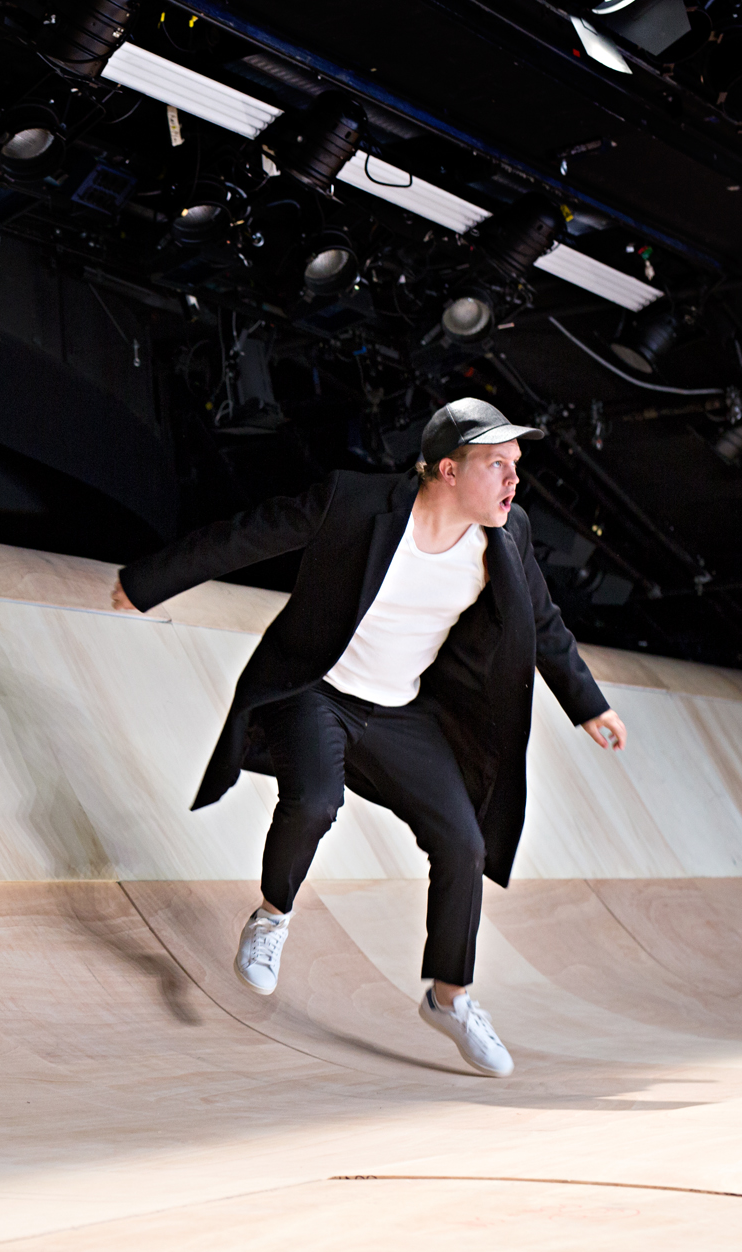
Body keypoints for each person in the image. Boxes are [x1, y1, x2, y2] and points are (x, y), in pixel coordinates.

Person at [112, 398, 628, 1077]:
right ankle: (272, 916)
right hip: (317, 690)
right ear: (447, 469)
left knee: (464, 841)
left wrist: (589, 704)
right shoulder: (355, 504)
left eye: (516, 465)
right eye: (497, 465)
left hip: (400, 712)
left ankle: (449, 997)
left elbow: (544, 620)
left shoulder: (508, 535)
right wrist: (146, 582)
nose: (513, 480)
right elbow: (245, 535)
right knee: (315, 802)